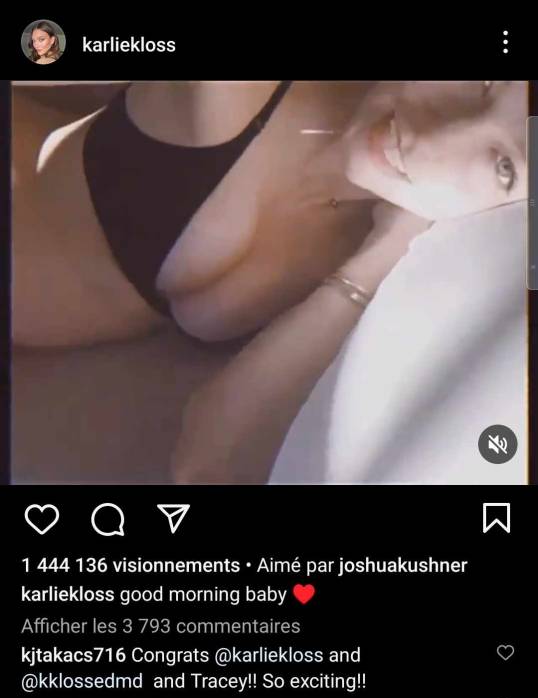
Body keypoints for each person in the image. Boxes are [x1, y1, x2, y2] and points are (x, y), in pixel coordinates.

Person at [12, 81, 527, 482]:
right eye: (485, 82)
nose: (435, 135)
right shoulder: (245, 93)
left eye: (504, 166)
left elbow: (207, 465)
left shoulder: (395, 263)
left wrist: (382, 252)